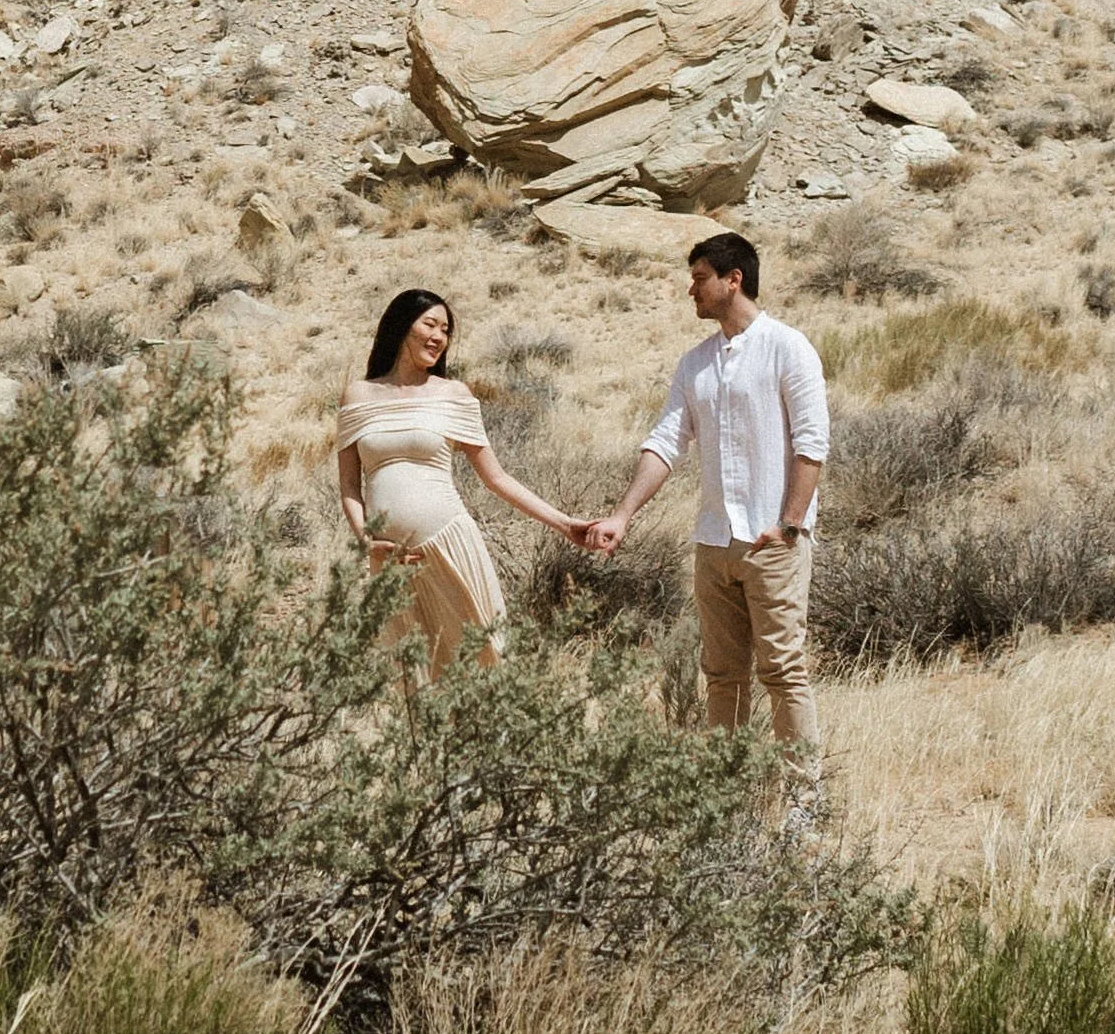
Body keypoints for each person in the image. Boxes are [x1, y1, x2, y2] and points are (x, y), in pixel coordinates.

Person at [581, 232, 827, 755]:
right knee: (721, 676)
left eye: (699, 279)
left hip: (772, 542)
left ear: (732, 280)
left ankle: (805, 800)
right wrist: (622, 516)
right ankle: (727, 795)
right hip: (713, 543)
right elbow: (665, 442)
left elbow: (812, 445)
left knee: (783, 671)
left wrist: (788, 526)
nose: (690, 291)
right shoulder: (694, 363)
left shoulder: (789, 347)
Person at [336, 287, 586, 675]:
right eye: (430, 324)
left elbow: (497, 477)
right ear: (402, 326)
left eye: (446, 330)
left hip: (451, 546)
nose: (439, 337)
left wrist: (565, 524)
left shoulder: (453, 395)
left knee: (478, 664)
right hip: (391, 560)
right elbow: (350, 485)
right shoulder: (357, 396)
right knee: (412, 677)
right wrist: (366, 540)